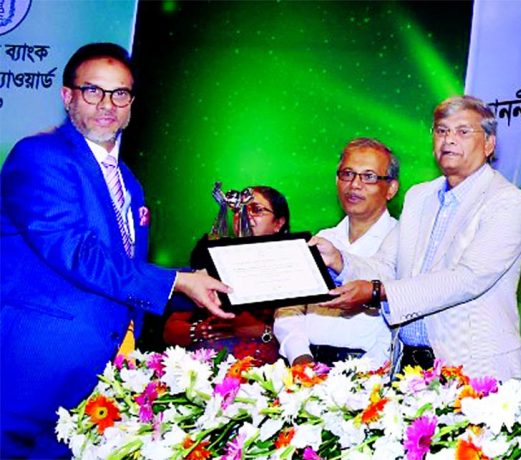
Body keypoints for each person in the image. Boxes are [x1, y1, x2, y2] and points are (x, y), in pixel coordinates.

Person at [0, 42, 232, 458]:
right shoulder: (40, 156)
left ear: (131, 103)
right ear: (67, 96)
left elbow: (123, 268)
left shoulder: (129, 182)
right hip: (29, 370)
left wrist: (215, 282)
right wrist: (178, 281)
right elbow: (75, 252)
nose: (107, 104)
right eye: (93, 91)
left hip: (95, 382)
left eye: (120, 93)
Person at [312, 96, 521, 380]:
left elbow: (467, 278)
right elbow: (387, 266)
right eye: (442, 130)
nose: (449, 139)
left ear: (489, 144)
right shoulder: (419, 197)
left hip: (476, 371)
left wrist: (380, 291)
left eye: (463, 131)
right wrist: (340, 260)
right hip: (408, 368)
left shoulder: (507, 202)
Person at [274, 138, 398, 368]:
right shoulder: (323, 239)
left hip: (371, 377)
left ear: (391, 188)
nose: (355, 185)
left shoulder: (404, 242)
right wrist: (300, 356)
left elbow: (405, 316)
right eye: (347, 174)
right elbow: (289, 309)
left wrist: (366, 374)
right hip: (306, 370)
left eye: (368, 176)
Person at [162, 185, 290, 366]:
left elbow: (303, 336)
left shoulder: (291, 264)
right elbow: (170, 331)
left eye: (257, 210)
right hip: (204, 372)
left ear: (278, 223)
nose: (246, 216)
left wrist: (258, 331)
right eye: (239, 209)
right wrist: (200, 330)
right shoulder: (210, 258)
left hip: (266, 373)